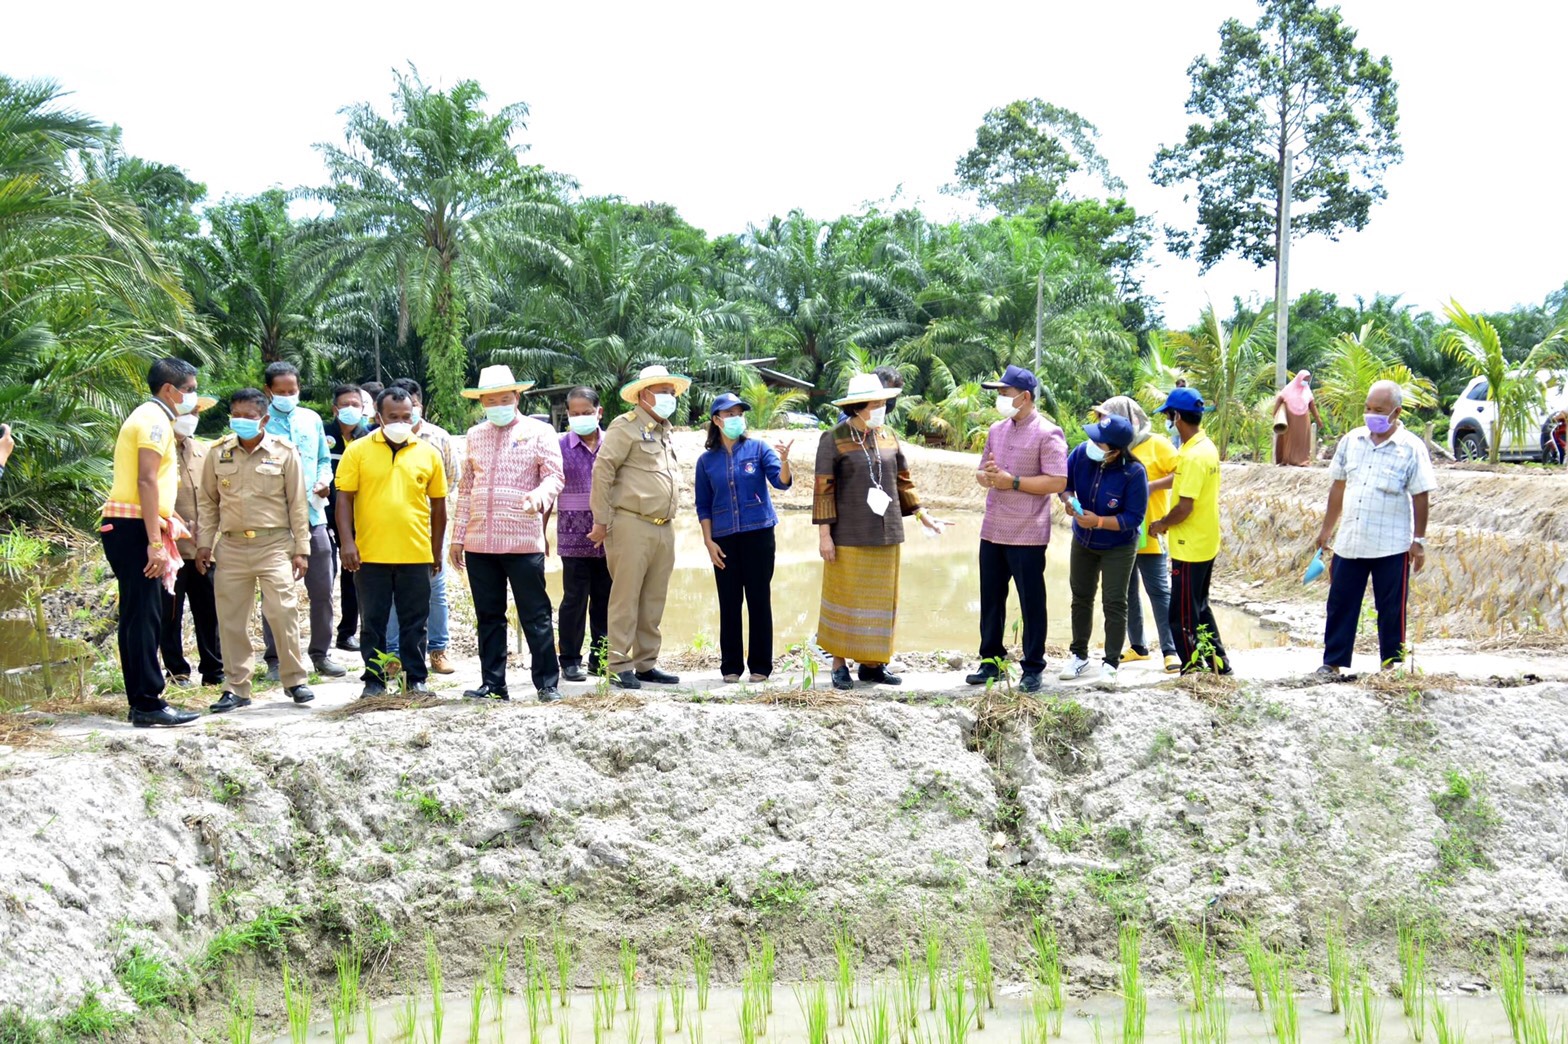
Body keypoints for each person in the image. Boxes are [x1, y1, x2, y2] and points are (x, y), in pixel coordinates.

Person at [814, 373, 948, 691]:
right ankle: (839, 664)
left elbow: (903, 480)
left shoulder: (888, 436)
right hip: (848, 534)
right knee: (846, 599)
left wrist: (922, 514)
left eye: (884, 403)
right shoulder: (833, 438)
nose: (882, 408)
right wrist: (824, 536)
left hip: (887, 533)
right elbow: (823, 491)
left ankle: (873, 666)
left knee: (880, 602)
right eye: (876, 403)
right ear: (859, 407)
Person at [196, 389, 317, 712]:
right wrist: (204, 543)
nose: (242, 420)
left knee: (282, 611)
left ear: (264, 419)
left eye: (249, 416)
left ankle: (295, 680)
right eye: (236, 414)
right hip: (232, 546)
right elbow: (208, 503)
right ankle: (236, 687)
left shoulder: (283, 452)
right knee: (231, 619)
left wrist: (301, 548)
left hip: (274, 545)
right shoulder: (218, 452)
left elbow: (298, 504)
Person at [449, 365, 564, 702]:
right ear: (482, 402)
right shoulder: (474, 435)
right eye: (490, 399)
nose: (497, 403)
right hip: (479, 542)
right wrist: (458, 537)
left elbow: (555, 476)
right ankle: (493, 684)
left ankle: (547, 684)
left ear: (516, 397)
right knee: (488, 615)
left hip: (522, 540)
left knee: (535, 613)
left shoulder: (539, 432)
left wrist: (539, 498)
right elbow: (467, 488)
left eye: (504, 397)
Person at [100, 358, 203, 727]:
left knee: (137, 614)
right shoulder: (155, 420)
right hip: (132, 527)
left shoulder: (151, 416)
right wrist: (154, 543)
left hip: (129, 524)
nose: (192, 397)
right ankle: (147, 702)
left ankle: (142, 699)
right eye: (189, 389)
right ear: (169, 390)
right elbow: (146, 480)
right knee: (144, 615)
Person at [1314, 380, 1435, 676]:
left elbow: (1421, 495)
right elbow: (1338, 487)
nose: (1371, 414)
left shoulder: (1411, 448)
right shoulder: (1351, 441)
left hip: (1391, 544)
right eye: (1368, 408)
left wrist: (1418, 540)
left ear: (1396, 412)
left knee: (1391, 608)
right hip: (1351, 541)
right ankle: (1332, 663)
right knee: (1341, 603)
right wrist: (1326, 530)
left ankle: (1392, 665)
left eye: (1379, 410)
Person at [335, 386, 448, 697]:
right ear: (378, 417)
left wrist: (435, 551)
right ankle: (374, 681)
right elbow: (344, 500)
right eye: (393, 417)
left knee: (416, 621)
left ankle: (415, 680)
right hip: (370, 554)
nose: (401, 422)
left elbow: (439, 507)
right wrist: (348, 542)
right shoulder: (357, 450)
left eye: (406, 417)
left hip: (416, 552)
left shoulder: (428, 453)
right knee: (374, 622)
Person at [964, 365, 1068, 693]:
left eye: (1004, 393)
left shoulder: (1048, 432)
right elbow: (983, 473)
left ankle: (1033, 667)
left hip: (1027, 532)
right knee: (991, 599)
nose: (1000, 399)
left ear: (1024, 397)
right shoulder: (996, 430)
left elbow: (1057, 480)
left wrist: (1015, 482)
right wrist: (989, 476)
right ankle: (991, 661)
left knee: (1031, 602)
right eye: (998, 393)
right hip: (993, 527)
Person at [588, 364, 689, 689]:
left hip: (663, 526)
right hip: (631, 523)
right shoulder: (625, 426)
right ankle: (618, 663)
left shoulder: (664, 431)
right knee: (626, 597)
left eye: (671, 392)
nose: (668, 398)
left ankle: (646, 663)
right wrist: (601, 519)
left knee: (653, 598)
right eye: (662, 392)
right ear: (643, 395)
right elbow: (603, 470)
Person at [696, 392, 794, 683]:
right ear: (717, 420)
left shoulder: (758, 449)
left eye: (739, 413)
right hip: (723, 539)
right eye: (729, 414)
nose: (736, 418)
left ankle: (761, 666)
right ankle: (731, 667)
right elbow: (703, 504)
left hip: (759, 535)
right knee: (729, 602)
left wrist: (785, 461)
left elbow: (782, 483)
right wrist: (708, 541)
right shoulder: (706, 461)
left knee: (759, 600)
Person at [258, 362, 346, 680]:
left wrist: (325, 479)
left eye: (292, 391)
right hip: (275, 520)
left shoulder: (310, 419)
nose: (287, 396)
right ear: (269, 391)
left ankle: (321, 653)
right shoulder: (261, 422)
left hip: (313, 516)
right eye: (280, 392)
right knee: (276, 592)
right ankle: (276, 658)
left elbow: (324, 458)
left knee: (322, 588)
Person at [1093, 396, 1183, 673]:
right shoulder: (1110, 448)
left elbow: (1182, 472)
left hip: (1151, 529)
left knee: (1159, 591)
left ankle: (1171, 649)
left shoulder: (1157, 444)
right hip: (1121, 531)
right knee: (1127, 591)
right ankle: (1138, 646)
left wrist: (1151, 485)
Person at [1056, 415, 1148, 681]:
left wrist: (1098, 521)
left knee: (1115, 602)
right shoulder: (1081, 455)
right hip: (1083, 540)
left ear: (1116, 451)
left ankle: (1110, 663)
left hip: (1118, 545)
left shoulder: (1134, 473)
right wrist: (1069, 501)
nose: (1092, 443)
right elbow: (1065, 484)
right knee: (1081, 596)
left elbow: (1133, 518)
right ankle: (1079, 656)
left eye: (1100, 442)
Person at [1148, 387, 1230, 674]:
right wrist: (1156, 486)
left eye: (1169, 415)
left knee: (1181, 615)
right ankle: (1219, 664)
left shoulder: (1194, 455)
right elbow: (1184, 484)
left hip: (1190, 544)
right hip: (1205, 541)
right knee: (1200, 607)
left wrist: (1160, 525)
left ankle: (1193, 669)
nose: (1168, 420)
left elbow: (1184, 507)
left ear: (1177, 416)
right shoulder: (1202, 448)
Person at [385, 377, 459, 675]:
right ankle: (393, 654)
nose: (406, 416)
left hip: (429, 527)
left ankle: (437, 650)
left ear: (419, 406)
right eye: (398, 411)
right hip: (389, 528)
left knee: (435, 590)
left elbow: (451, 480)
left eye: (412, 408)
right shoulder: (377, 440)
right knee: (391, 591)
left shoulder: (439, 438)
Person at [159, 394, 224, 688]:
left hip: (204, 547)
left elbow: (214, 497)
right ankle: (177, 671)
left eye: (198, 411)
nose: (194, 416)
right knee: (170, 614)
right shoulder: (157, 448)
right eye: (191, 410)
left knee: (209, 611)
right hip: (170, 547)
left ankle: (214, 670)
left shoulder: (204, 451)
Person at [555, 386, 612, 682]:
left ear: (598, 412)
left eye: (587, 413)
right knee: (574, 599)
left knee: (605, 598)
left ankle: (599, 658)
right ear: (568, 415)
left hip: (610, 537)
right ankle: (569, 660)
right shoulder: (559, 445)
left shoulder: (613, 444)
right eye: (575, 414)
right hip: (572, 537)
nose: (581, 417)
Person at [326, 383, 371, 653]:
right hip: (322, 514)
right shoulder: (323, 434)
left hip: (358, 518)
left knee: (353, 576)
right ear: (335, 409)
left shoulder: (368, 438)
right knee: (324, 577)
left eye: (356, 405)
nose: (351, 409)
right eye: (345, 405)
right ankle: (321, 639)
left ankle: (348, 632)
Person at [1272, 370, 1324, 467]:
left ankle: (1302, 461)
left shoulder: (1307, 391)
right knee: (1289, 440)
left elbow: (1312, 406)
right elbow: (1279, 400)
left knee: (1302, 441)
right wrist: (1275, 414)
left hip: (1303, 419)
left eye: (1308, 379)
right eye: (1305, 379)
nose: (1306, 381)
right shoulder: (1288, 389)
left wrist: (1318, 419)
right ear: (1299, 378)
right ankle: (1286, 459)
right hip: (1290, 418)